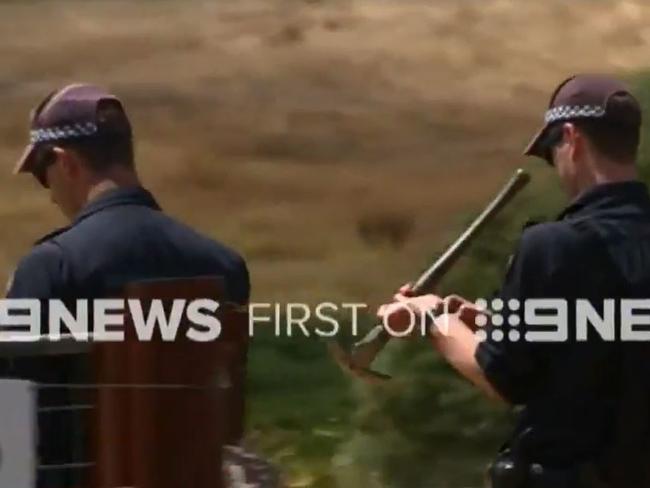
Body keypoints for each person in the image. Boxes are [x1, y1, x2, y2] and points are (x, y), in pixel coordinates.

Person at [378, 74, 650, 487]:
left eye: (552, 150)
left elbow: (502, 378)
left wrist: (432, 318)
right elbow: (614, 330)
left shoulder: (554, 246)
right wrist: (493, 322)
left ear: (572, 138)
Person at [5, 83, 250, 487]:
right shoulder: (224, 266)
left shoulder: (52, 268)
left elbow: (13, 425)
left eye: (42, 176)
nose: (49, 196)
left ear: (66, 163)